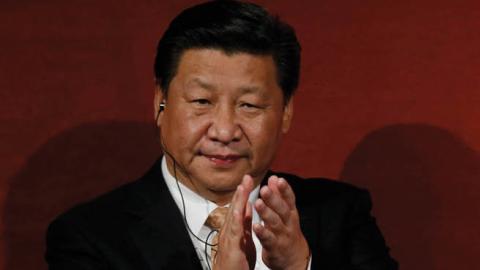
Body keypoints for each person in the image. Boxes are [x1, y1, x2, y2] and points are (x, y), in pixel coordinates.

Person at [45, 1, 398, 269]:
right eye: (202, 101)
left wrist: (298, 266)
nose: (225, 131)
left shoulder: (342, 216)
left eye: (250, 105)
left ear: (286, 111)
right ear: (160, 101)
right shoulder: (89, 238)